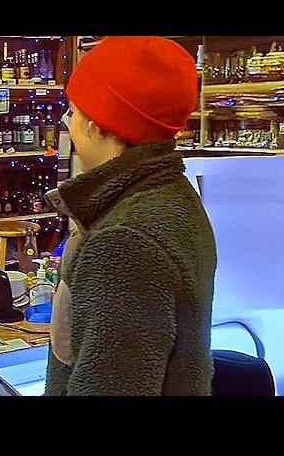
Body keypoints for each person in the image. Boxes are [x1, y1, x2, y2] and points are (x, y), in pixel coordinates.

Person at [44, 36, 217, 396]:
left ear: (95, 123)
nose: (69, 126)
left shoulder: (123, 244)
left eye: (73, 113)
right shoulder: (175, 198)